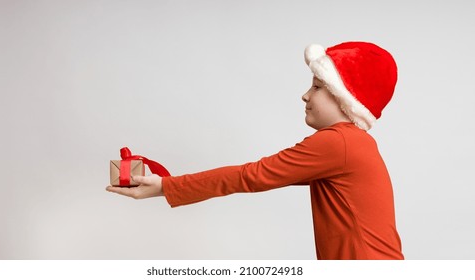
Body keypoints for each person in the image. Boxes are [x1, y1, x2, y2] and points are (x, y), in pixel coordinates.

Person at [106, 41, 404, 260]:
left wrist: (165, 187)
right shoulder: (351, 145)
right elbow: (258, 176)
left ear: (344, 98)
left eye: (316, 86)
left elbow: (250, 176)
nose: (305, 95)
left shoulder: (338, 143)